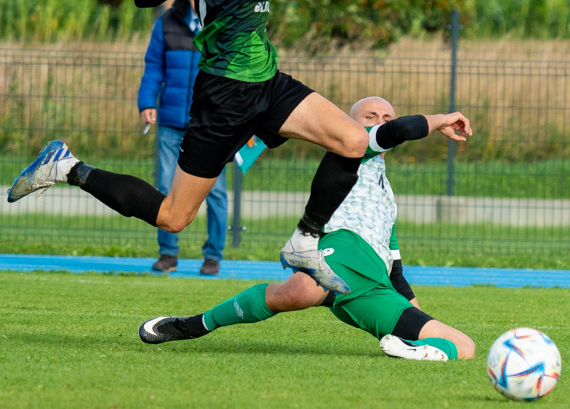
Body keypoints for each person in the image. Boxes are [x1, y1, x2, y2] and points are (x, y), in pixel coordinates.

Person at [7, 0, 369, 294]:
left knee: (351, 140)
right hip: (225, 95)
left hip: (266, 83)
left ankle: (305, 240)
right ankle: (68, 167)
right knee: (174, 217)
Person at [137, 97, 476, 361]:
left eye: (386, 116)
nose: (380, 122)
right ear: (351, 124)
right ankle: (192, 325)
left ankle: (412, 350)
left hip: (373, 283)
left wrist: (415, 321)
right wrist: (442, 119)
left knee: (463, 346)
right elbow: (398, 131)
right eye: (370, 116)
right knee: (300, 292)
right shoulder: (353, 150)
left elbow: (396, 271)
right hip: (342, 250)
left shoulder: (387, 197)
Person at [138, 0, 227, 275]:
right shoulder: (166, 21)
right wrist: (147, 102)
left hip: (211, 125)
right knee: (165, 185)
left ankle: (213, 256)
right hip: (170, 121)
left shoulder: (225, 21)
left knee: (215, 192)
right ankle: (168, 254)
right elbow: (153, 66)